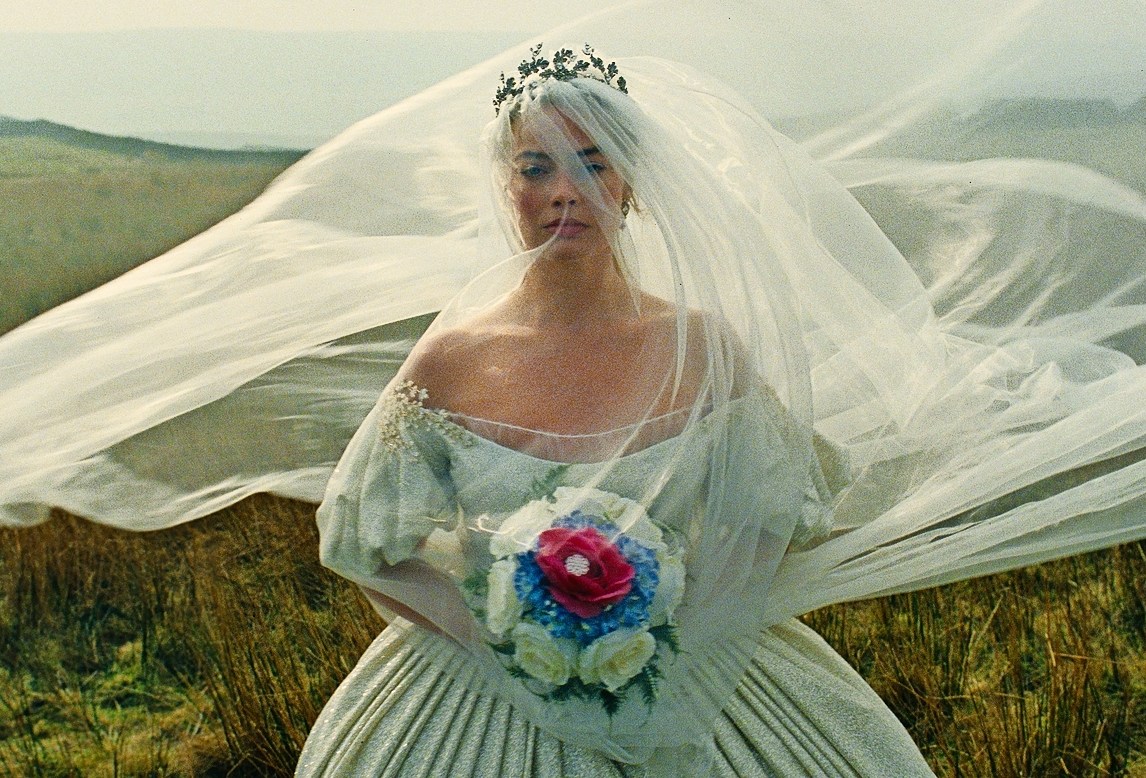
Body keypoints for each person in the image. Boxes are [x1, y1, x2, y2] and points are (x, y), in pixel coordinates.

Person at [2, 3, 1144, 774]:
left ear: (636, 183)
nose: (566, 192)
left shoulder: (704, 343)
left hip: (712, 684)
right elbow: (363, 541)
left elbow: (766, 520)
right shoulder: (446, 363)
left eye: (594, 162)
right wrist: (500, 636)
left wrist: (674, 658)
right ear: (503, 185)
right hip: (475, 704)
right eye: (538, 166)